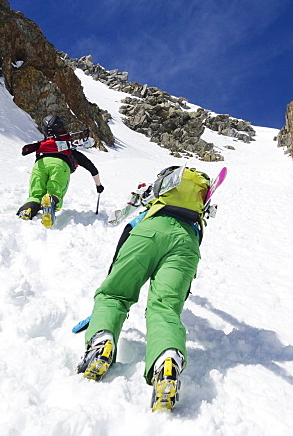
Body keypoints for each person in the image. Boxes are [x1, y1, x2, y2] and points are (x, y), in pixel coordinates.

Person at [76, 165, 212, 412]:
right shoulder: (198, 208)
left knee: (115, 294)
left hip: (148, 232)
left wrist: (113, 275)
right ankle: (167, 359)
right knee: (165, 309)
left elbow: (128, 231)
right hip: (187, 243)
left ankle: (102, 340)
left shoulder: (155, 199)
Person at [16, 114, 103, 227]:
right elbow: (91, 168)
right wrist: (98, 185)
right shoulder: (69, 148)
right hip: (60, 166)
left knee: (35, 194)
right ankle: (50, 201)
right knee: (55, 192)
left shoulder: (42, 145)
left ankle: (27, 210)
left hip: (39, 165)